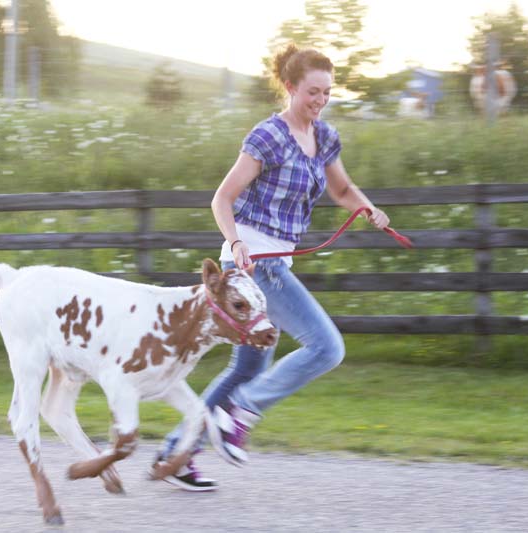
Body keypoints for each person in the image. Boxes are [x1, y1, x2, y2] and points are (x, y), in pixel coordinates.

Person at [151, 44, 390, 491]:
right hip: (254, 266)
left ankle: (174, 453)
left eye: (327, 92)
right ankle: (240, 414)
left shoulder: (325, 138)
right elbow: (222, 198)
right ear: (290, 86)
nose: (320, 100)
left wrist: (368, 208)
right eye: (312, 92)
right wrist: (237, 242)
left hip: (276, 262)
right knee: (326, 347)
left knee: (246, 369)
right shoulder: (268, 136)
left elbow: (342, 190)